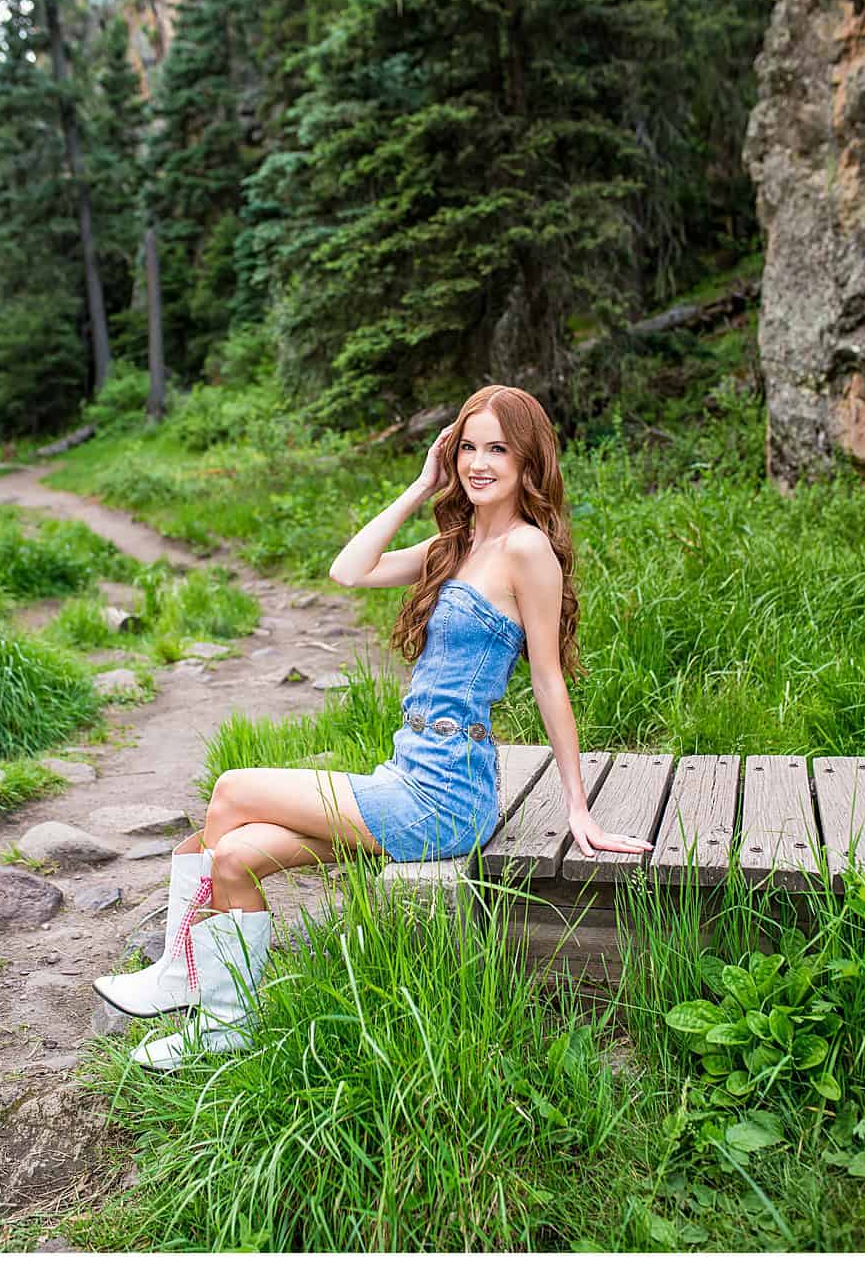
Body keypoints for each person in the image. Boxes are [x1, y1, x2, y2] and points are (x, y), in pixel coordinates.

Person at [94, 384, 653, 1069]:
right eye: (468, 447)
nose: (479, 462)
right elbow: (348, 570)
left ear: (528, 458)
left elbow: (547, 678)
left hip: (446, 796)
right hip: (404, 776)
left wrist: (577, 807)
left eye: (497, 449)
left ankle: (179, 970)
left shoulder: (526, 550)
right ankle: (225, 1024)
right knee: (233, 856)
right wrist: (422, 484)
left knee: (232, 793)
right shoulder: (457, 544)